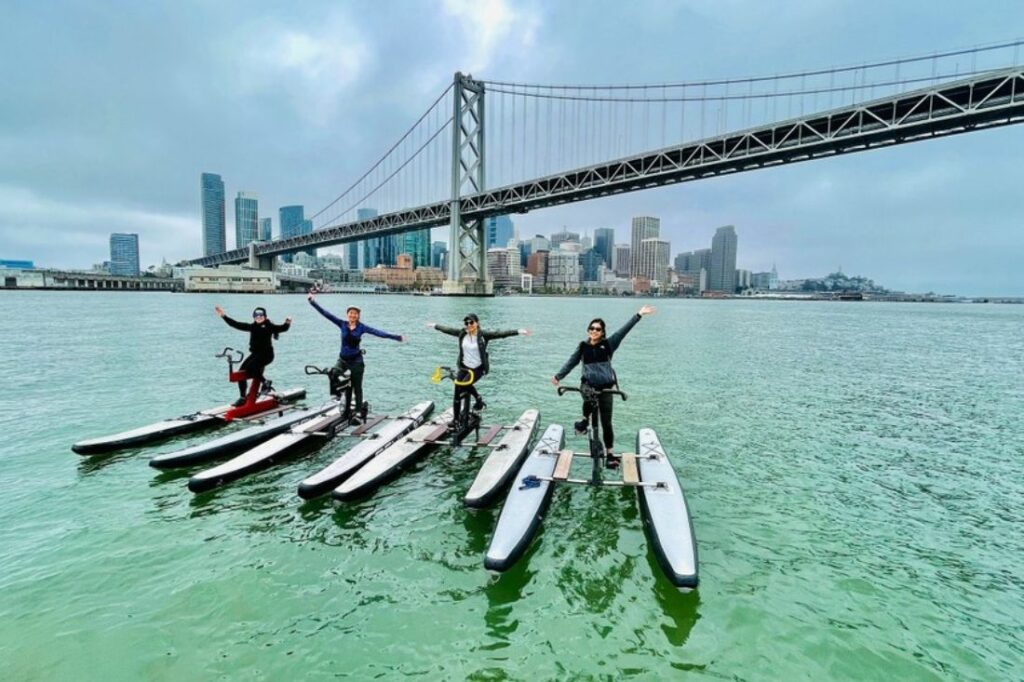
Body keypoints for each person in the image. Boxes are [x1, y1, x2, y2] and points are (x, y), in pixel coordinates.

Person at [551, 305, 656, 468]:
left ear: (602, 333)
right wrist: (559, 376)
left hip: (606, 389)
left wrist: (639, 315)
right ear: (588, 330)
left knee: (606, 423)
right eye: (591, 328)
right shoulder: (582, 347)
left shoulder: (608, 344)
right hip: (589, 387)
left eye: (598, 329)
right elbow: (571, 362)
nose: (594, 331)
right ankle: (585, 421)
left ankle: (610, 455)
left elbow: (624, 331)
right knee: (588, 396)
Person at [308, 291, 404, 419]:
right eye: (351, 313)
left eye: (355, 313)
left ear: (358, 316)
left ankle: (358, 410)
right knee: (333, 373)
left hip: (356, 362)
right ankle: (337, 394)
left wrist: (396, 337)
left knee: (357, 387)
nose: (353, 315)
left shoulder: (362, 327)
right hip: (342, 360)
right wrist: (313, 302)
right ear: (347, 314)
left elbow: (378, 333)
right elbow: (326, 314)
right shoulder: (342, 324)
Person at [426, 314, 531, 427]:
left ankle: (478, 400)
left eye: (471, 322)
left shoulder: (483, 335)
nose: (469, 325)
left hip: (477, 368)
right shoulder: (462, 333)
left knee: (465, 384)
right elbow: (448, 330)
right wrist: (435, 325)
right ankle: (456, 419)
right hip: (464, 367)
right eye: (466, 323)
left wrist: (519, 331)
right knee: (457, 391)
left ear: (477, 323)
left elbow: (500, 334)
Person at [214, 305, 292, 407]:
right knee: (241, 372)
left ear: (265, 316)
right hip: (255, 354)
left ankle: (265, 382)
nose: (258, 317)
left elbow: (283, 328)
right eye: (256, 315)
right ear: (253, 316)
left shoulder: (269, 326)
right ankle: (243, 397)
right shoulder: (252, 327)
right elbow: (235, 324)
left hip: (267, 355)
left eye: (261, 315)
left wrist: (287, 322)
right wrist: (223, 315)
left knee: (252, 367)